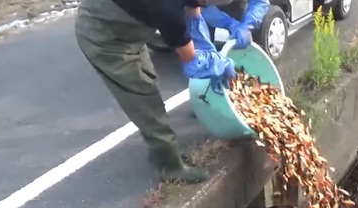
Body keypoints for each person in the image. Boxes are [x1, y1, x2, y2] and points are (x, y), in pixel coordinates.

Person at [75, 0, 239, 184]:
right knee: (143, 97)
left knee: (148, 79)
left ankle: (163, 153)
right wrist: (217, 65)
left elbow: (194, 18)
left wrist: (209, 51)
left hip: (128, 32)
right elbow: (191, 59)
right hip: (104, 38)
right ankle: (170, 167)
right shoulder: (169, 10)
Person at [201, 0, 269, 50]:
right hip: (202, 8)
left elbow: (260, 2)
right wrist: (229, 23)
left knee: (238, 40)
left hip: (234, 5)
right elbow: (197, 9)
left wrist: (246, 26)